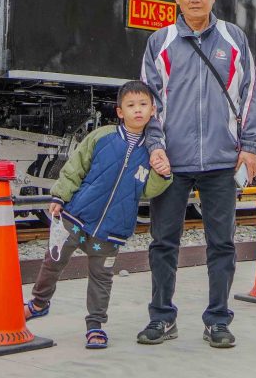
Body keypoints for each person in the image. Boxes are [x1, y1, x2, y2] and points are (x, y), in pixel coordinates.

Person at [138, 0, 256, 349]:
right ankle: (161, 318)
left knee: (222, 244)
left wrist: (250, 146)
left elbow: (249, 95)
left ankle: (218, 319)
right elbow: (148, 102)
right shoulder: (158, 43)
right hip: (171, 162)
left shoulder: (233, 39)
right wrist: (155, 147)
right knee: (162, 242)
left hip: (221, 160)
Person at [24, 80, 171, 349]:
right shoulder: (102, 136)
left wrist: (163, 174)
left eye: (143, 105)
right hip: (76, 216)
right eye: (130, 105)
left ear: (153, 111)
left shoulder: (152, 153)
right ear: (119, 111)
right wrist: (60, 196)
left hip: (112, 229)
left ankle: (95, 325)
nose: (137, 110)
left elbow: (147, 192)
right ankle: (38, 302)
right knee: (53, 259)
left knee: (101, 279)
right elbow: (75, 167)